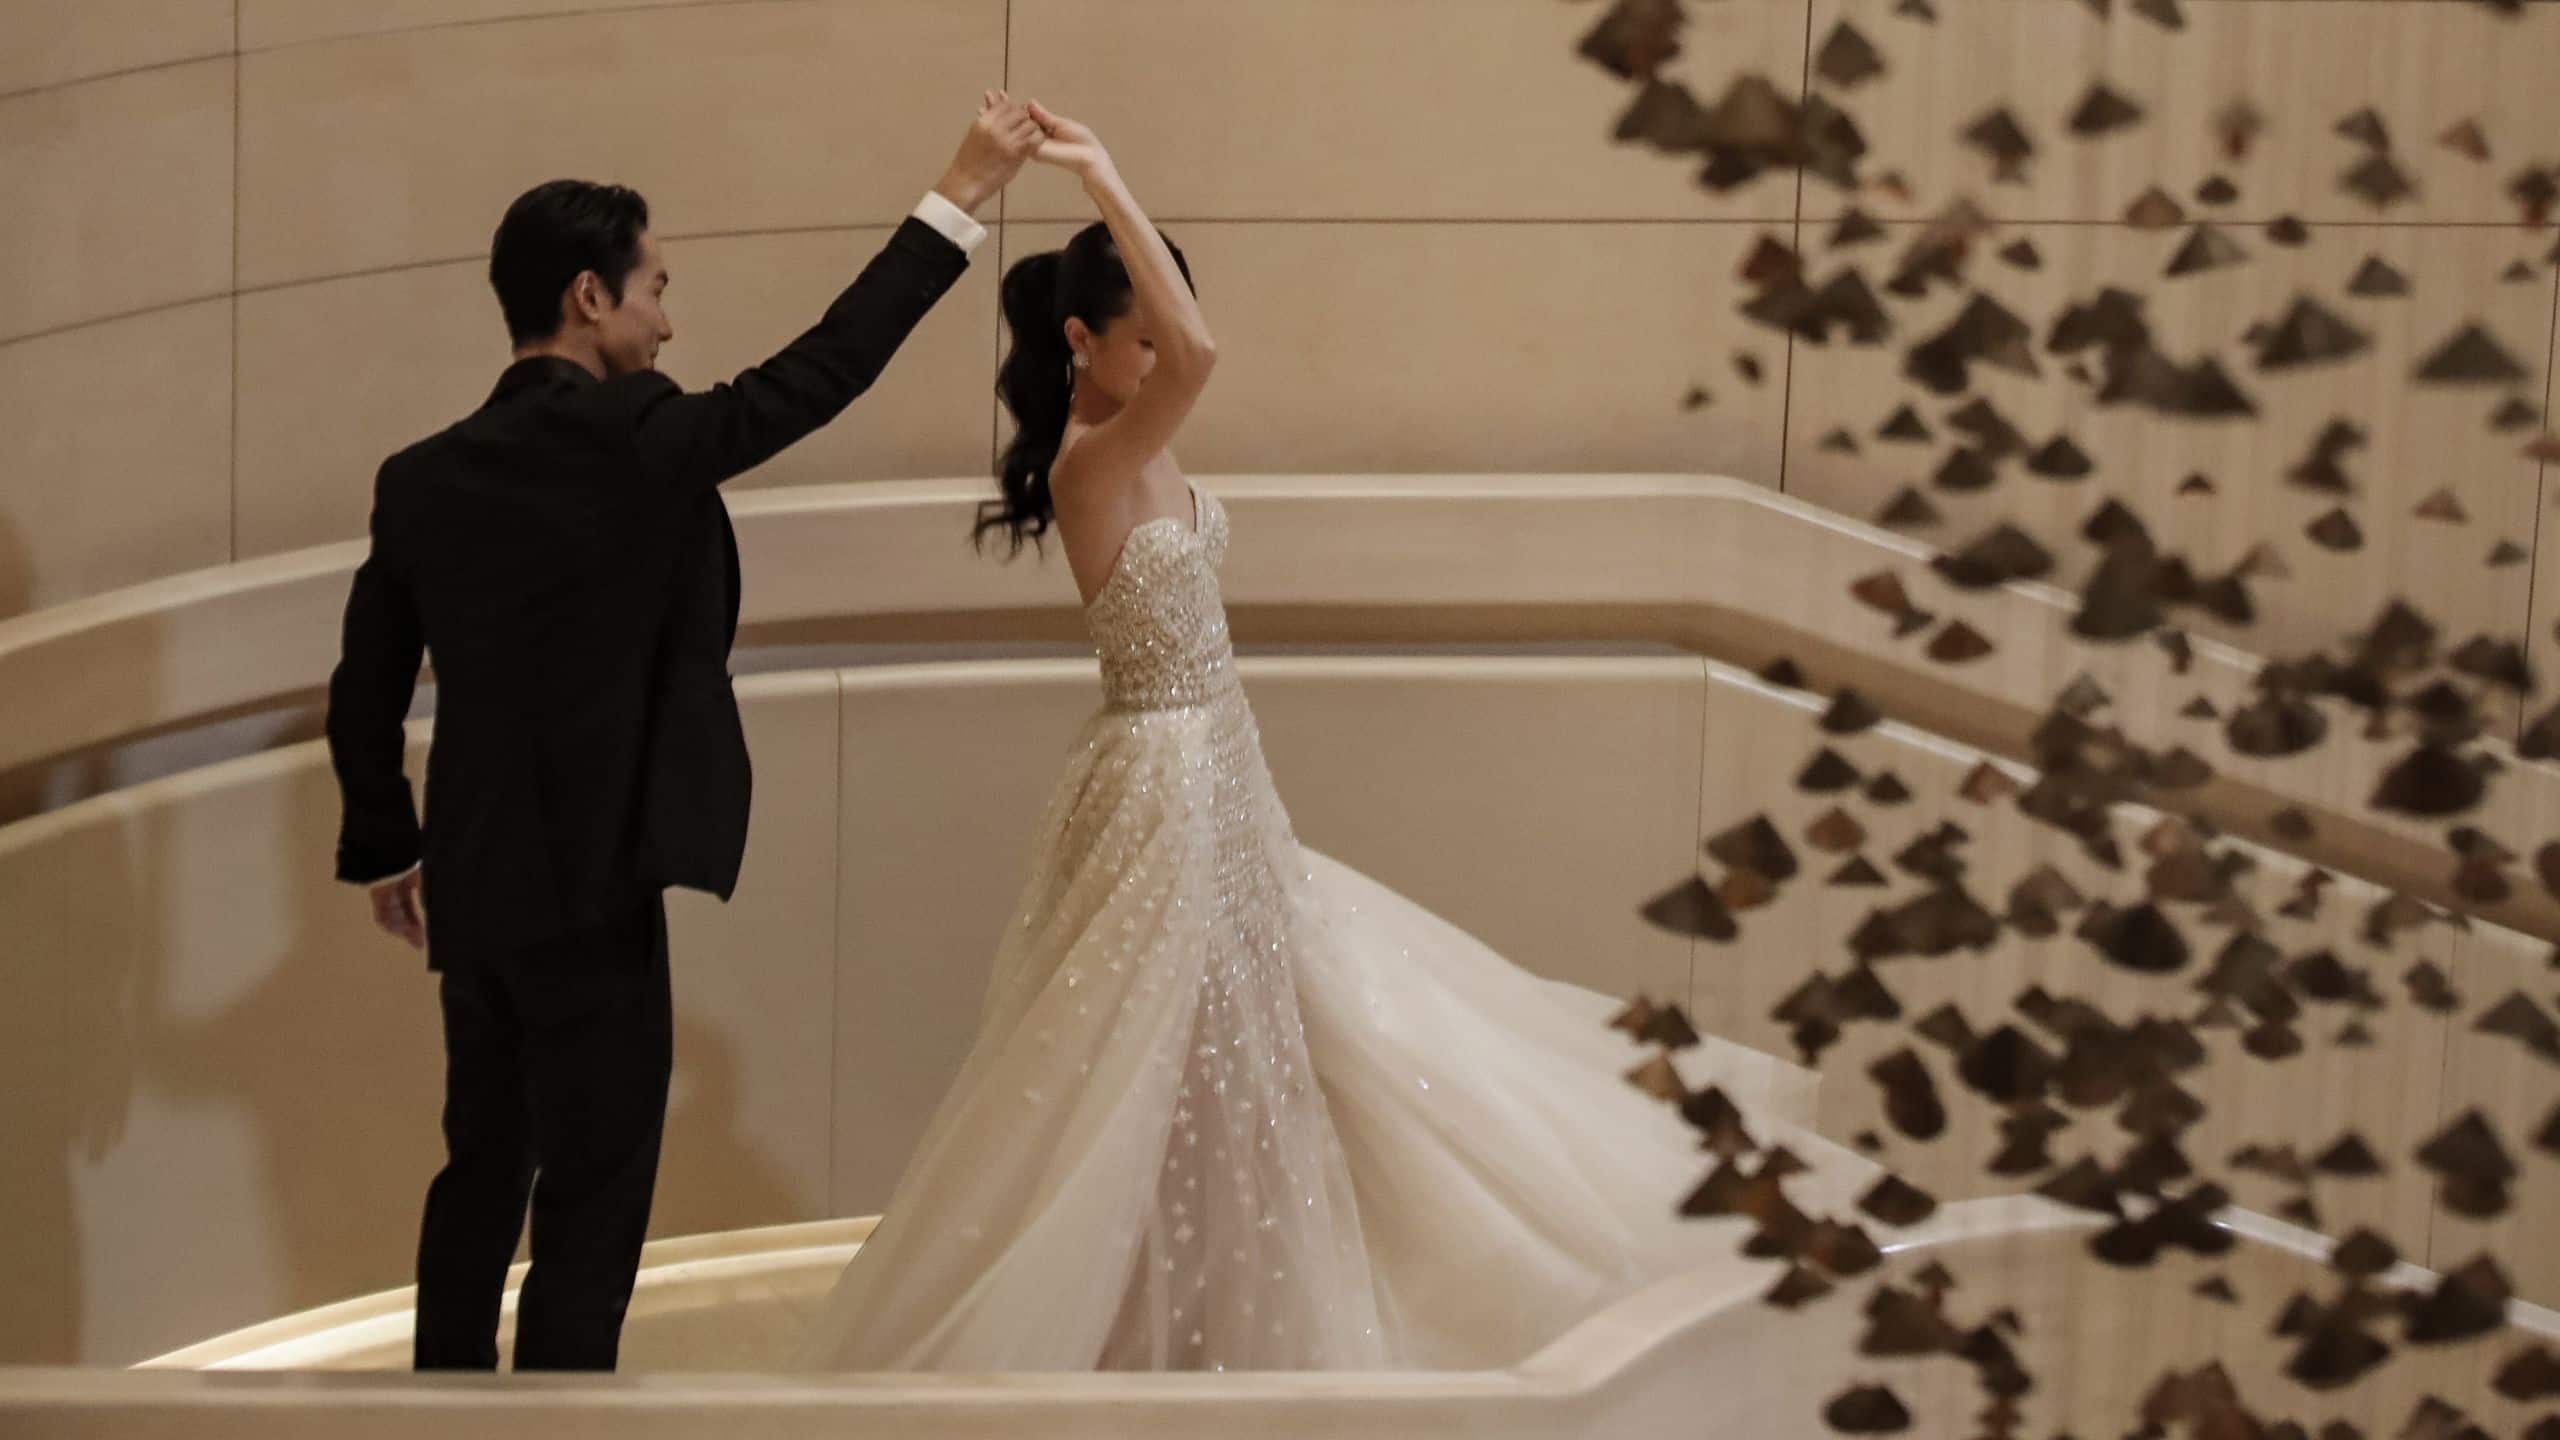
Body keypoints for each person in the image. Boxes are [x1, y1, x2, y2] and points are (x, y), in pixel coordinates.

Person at [795, 103, 1874, 1372]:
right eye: (1135, 334)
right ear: (1083, 342)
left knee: (1259, 1060)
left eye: (1154, 329)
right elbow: (1199, 351)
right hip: (1162, 780)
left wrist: (1116, 215)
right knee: (1147, 1070)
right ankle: (1158, 1346)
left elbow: (1184, 349)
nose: (1161, 353)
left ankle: (1211, 1331)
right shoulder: (1095, 459)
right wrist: (1104, 177)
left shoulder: (1137, 435)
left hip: (1221, 761)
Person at [323, 95, 1046, 1372]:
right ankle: (555, 1417)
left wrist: (388, 844)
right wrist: (959, 192)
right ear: (589, 298)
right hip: (596, 882)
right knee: (593, 1200)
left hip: (476, 878)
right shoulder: (640, 437)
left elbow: (366, 678)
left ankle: (431, 1408)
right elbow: (826, 367)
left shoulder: (421, 475)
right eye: (656, 287)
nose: (670, 316)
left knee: (481, 1167)